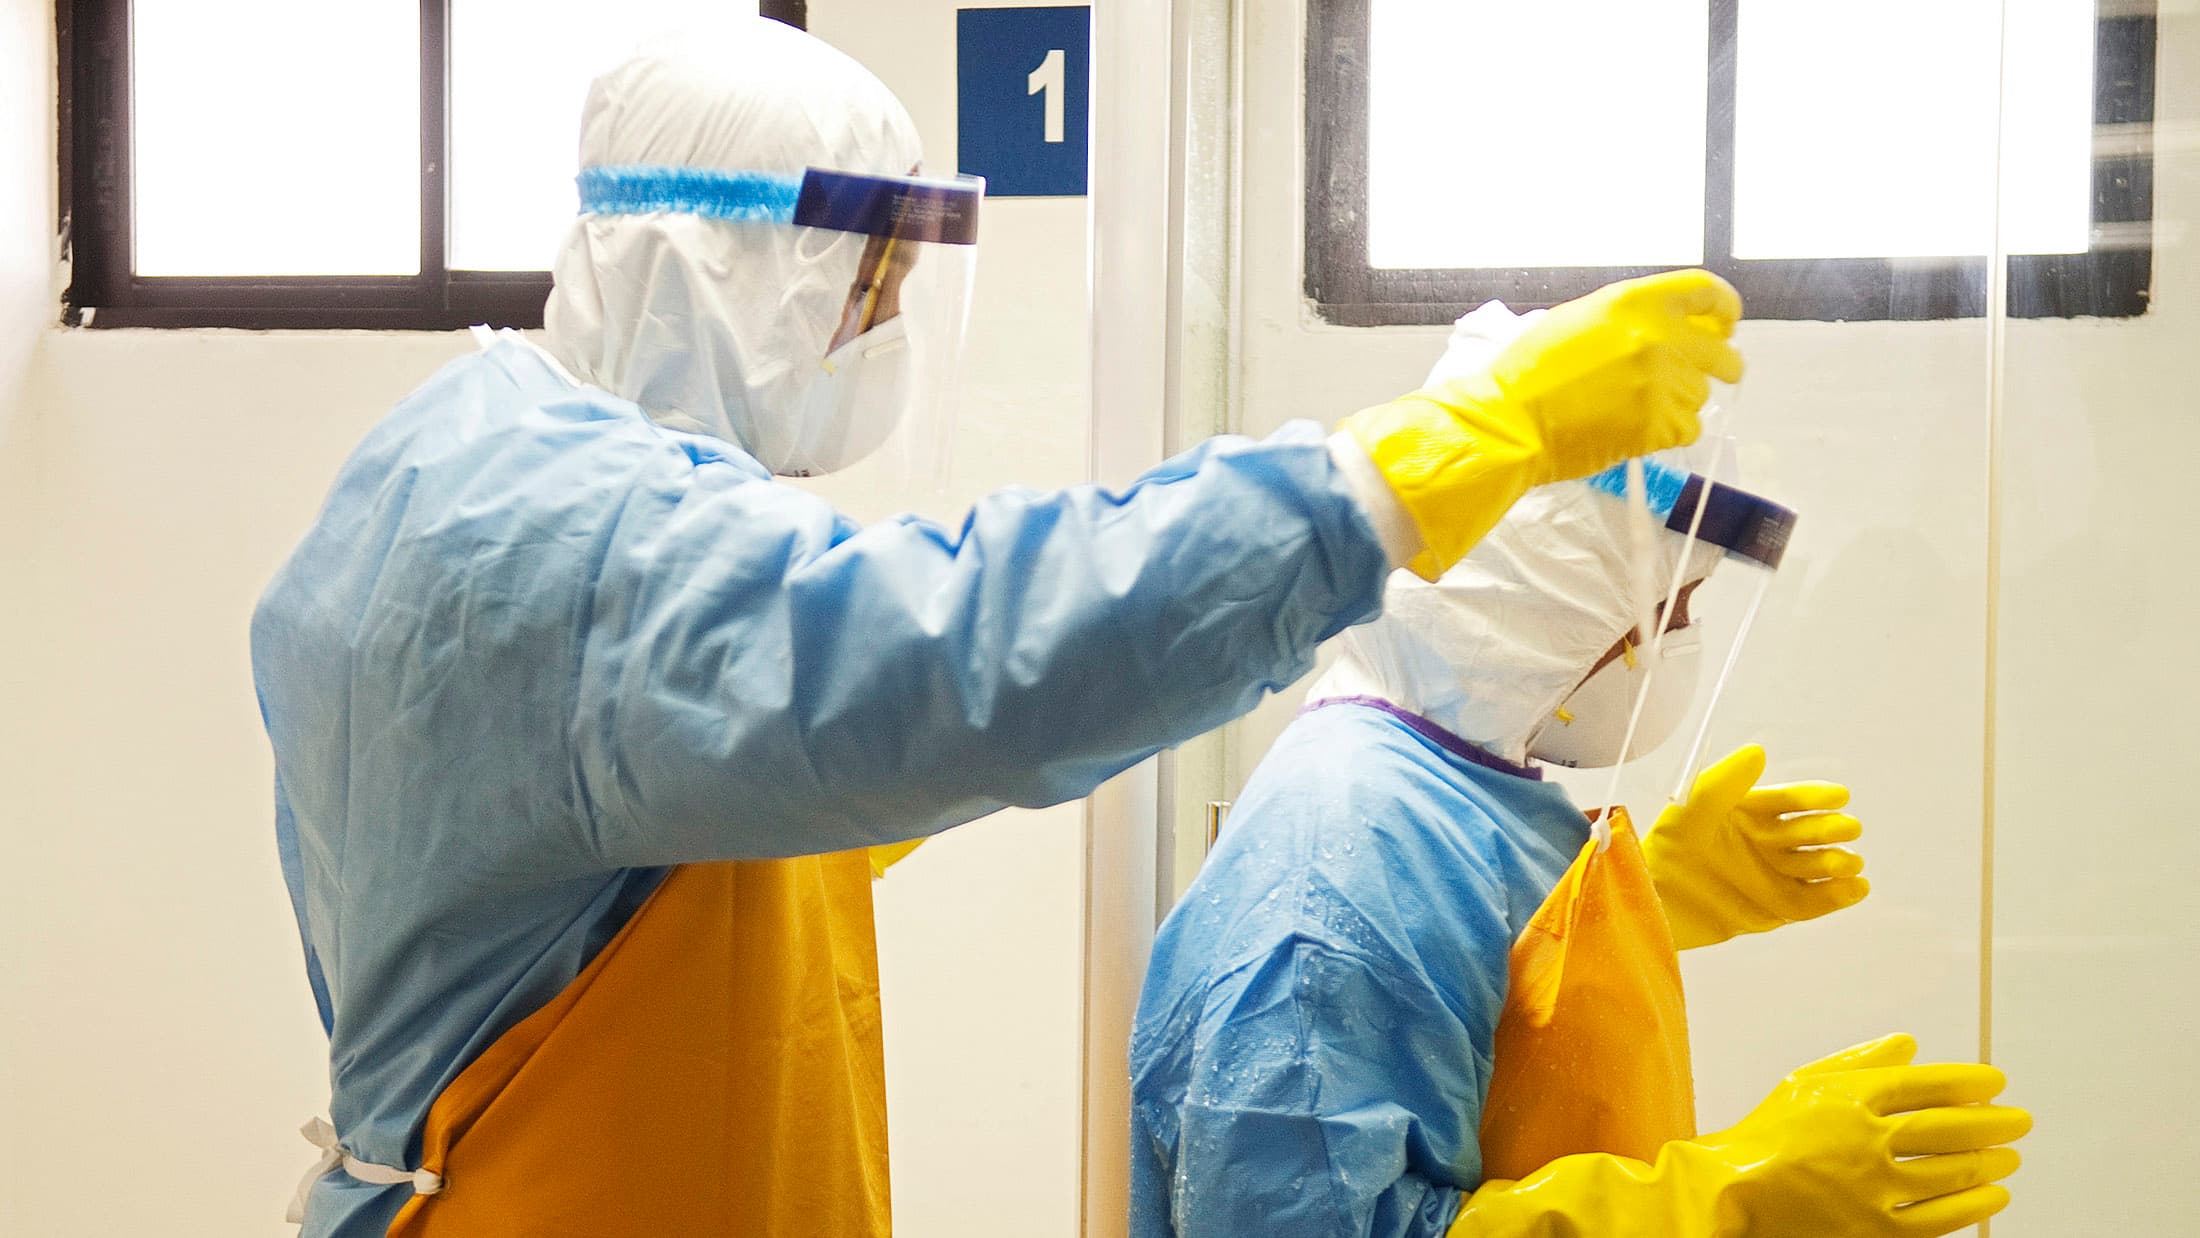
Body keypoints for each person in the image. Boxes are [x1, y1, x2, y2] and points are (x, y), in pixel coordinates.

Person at [252, 17, 1744, 1237]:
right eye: (868, 286)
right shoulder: (555, 541)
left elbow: (789, 765)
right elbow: (950, 654)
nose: (882, 334)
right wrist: (1404, 473)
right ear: (729, 263)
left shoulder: (489, 468)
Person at [1127, 308, 2031, 1238]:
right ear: (1544, 602)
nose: (1675, 641)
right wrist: (1727, 1199)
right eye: (1668, 606)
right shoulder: (1335, 864)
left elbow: (1488, 1043)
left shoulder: (1451, 783)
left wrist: (1643, 909)